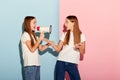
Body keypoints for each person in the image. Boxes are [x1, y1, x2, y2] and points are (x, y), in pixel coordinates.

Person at [49, 15, 86, 80]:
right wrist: (52, 44)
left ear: (73, 23)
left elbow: (83, 52)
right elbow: (58, 49)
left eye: (67, 22)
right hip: (61, 62)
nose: (65, 24)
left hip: (72, 63)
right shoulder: (64, 34)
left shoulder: (81, 35)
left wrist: (79, 47)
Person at [21, 16, 49, 80]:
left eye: (36, 22)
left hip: (37, 64)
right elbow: (32, 49)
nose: (35, 24)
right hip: (30, 65)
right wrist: (40, 39)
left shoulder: (34, 35)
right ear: (28, 24)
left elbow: (41, 48)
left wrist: (48, 44)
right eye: (33, 22)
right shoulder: (25, 35)